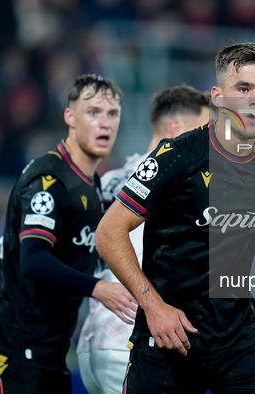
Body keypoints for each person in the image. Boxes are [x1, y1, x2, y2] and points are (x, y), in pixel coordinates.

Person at [95, 41, 255, 393]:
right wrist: (153, 307)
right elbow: (109, 232)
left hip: (237, 337)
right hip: (169, 338)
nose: (254, 99)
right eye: (242, 88)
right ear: (218, 96)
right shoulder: (179, 156)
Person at [0, 74, 137, 394]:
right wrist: (98, 289)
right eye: (93, 112)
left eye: (112, 114)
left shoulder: (90, 184)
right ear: (69, 117)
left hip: (50, 353)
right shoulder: (48, 179)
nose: (105, 123)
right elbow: (34, 259)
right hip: (10, 351)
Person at [76, 85, 210, 394]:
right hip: (132, 345)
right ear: (176, 129)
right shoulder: (175, 182)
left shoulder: (112, 178)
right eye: (202, 128)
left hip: (93, 344)